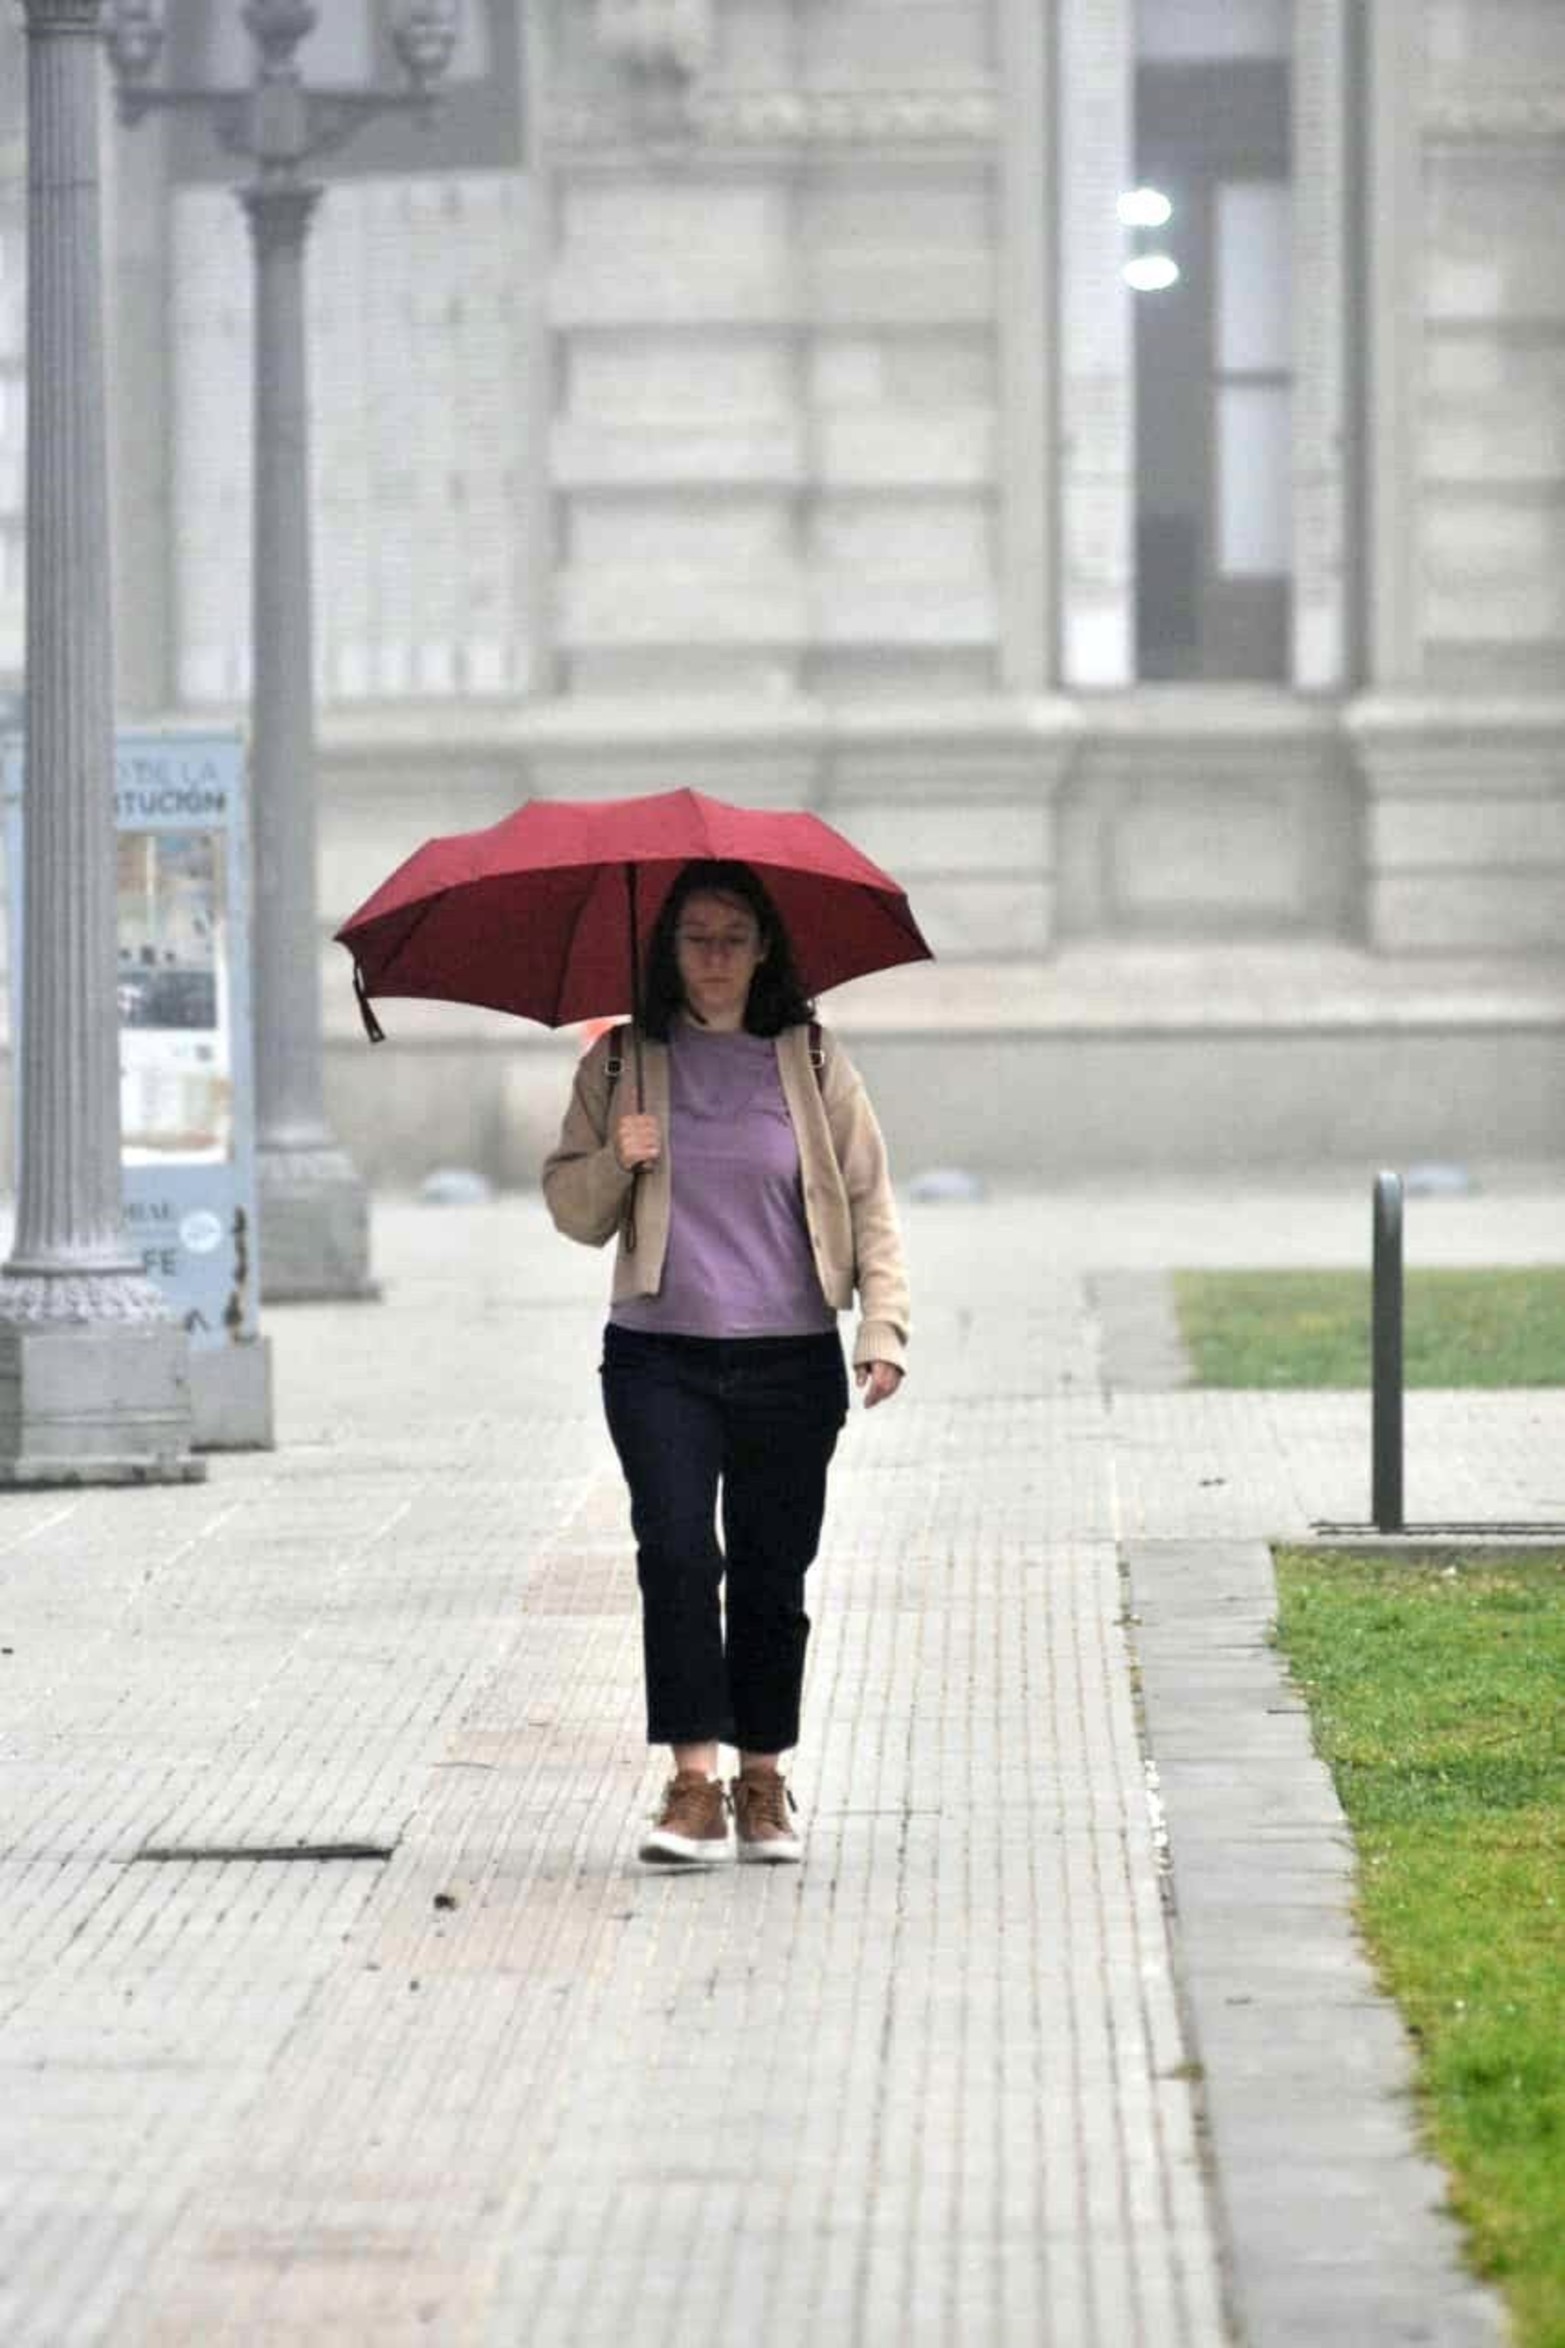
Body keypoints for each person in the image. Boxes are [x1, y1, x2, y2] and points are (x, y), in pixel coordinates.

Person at [542, 858, 909, 1868]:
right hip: (658, 1356)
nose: (712, 955)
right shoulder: (621, 1060)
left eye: (732, 936)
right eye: (693, 934)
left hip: (789, 1359)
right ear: (666, 946)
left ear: (763, 950)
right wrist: (617, 1156)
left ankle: (762, 1778)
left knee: (767, 1568)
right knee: (673, 1554)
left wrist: (881, 1328)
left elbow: (869, 1201)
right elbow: (572, 1211)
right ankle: (693, 1785)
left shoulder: (813, 1059)